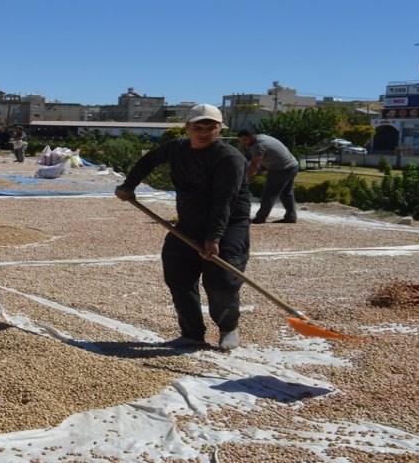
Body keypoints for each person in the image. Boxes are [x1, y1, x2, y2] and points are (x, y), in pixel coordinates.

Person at [114, 104, 250, 351]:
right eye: (198, 127)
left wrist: (214, 238)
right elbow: (149, 160)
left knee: (220, 280)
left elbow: (224, 201)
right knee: (178, 274)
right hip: (189, 222)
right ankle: (192, 333)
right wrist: (129, 185)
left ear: (220, 129)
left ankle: (228, 327)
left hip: (229, 225)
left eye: (211, 127)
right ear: (187, 128)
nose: (204, 132)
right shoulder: (177, 148)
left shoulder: (229, 158)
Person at [236, 130, 299, 224]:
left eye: (245, 140)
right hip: (292, 165)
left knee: (269, 194)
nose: (244, 142)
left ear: (252, 136)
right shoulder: (263, 137)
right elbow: (263, 161)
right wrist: (257, 171)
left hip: (281, 169)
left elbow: (254, 165)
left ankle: (260, 218)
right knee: (286, 193)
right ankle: (291, 217)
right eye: (241, 140)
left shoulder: (258, 145)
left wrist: (245, 179)